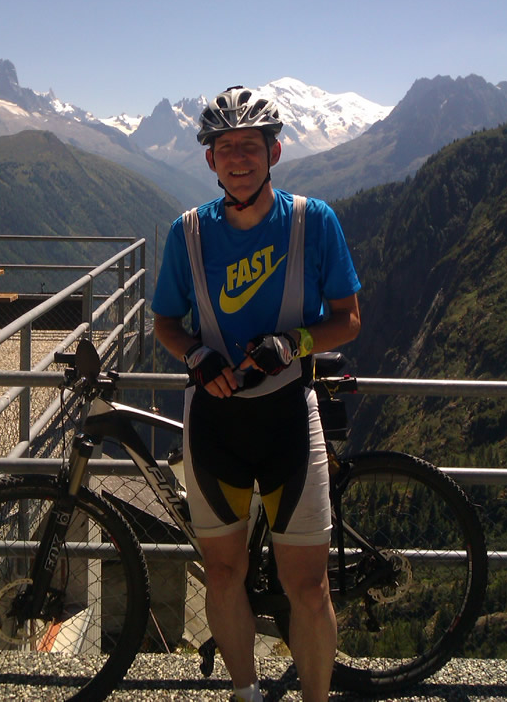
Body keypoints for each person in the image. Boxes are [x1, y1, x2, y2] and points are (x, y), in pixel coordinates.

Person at [152, 86, 361, 702]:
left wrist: (295, 342)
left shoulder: (313, 222)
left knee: (310, 588)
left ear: (274, 152)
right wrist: (194, 354)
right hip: (215, 423)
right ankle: (245, 693)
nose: (238, 158)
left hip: (289, 415)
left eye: (251, 145)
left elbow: (349, 319)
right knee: (222, 573)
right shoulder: (187, 233)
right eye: (226, 148)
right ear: (210, 160)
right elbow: (166, 322)